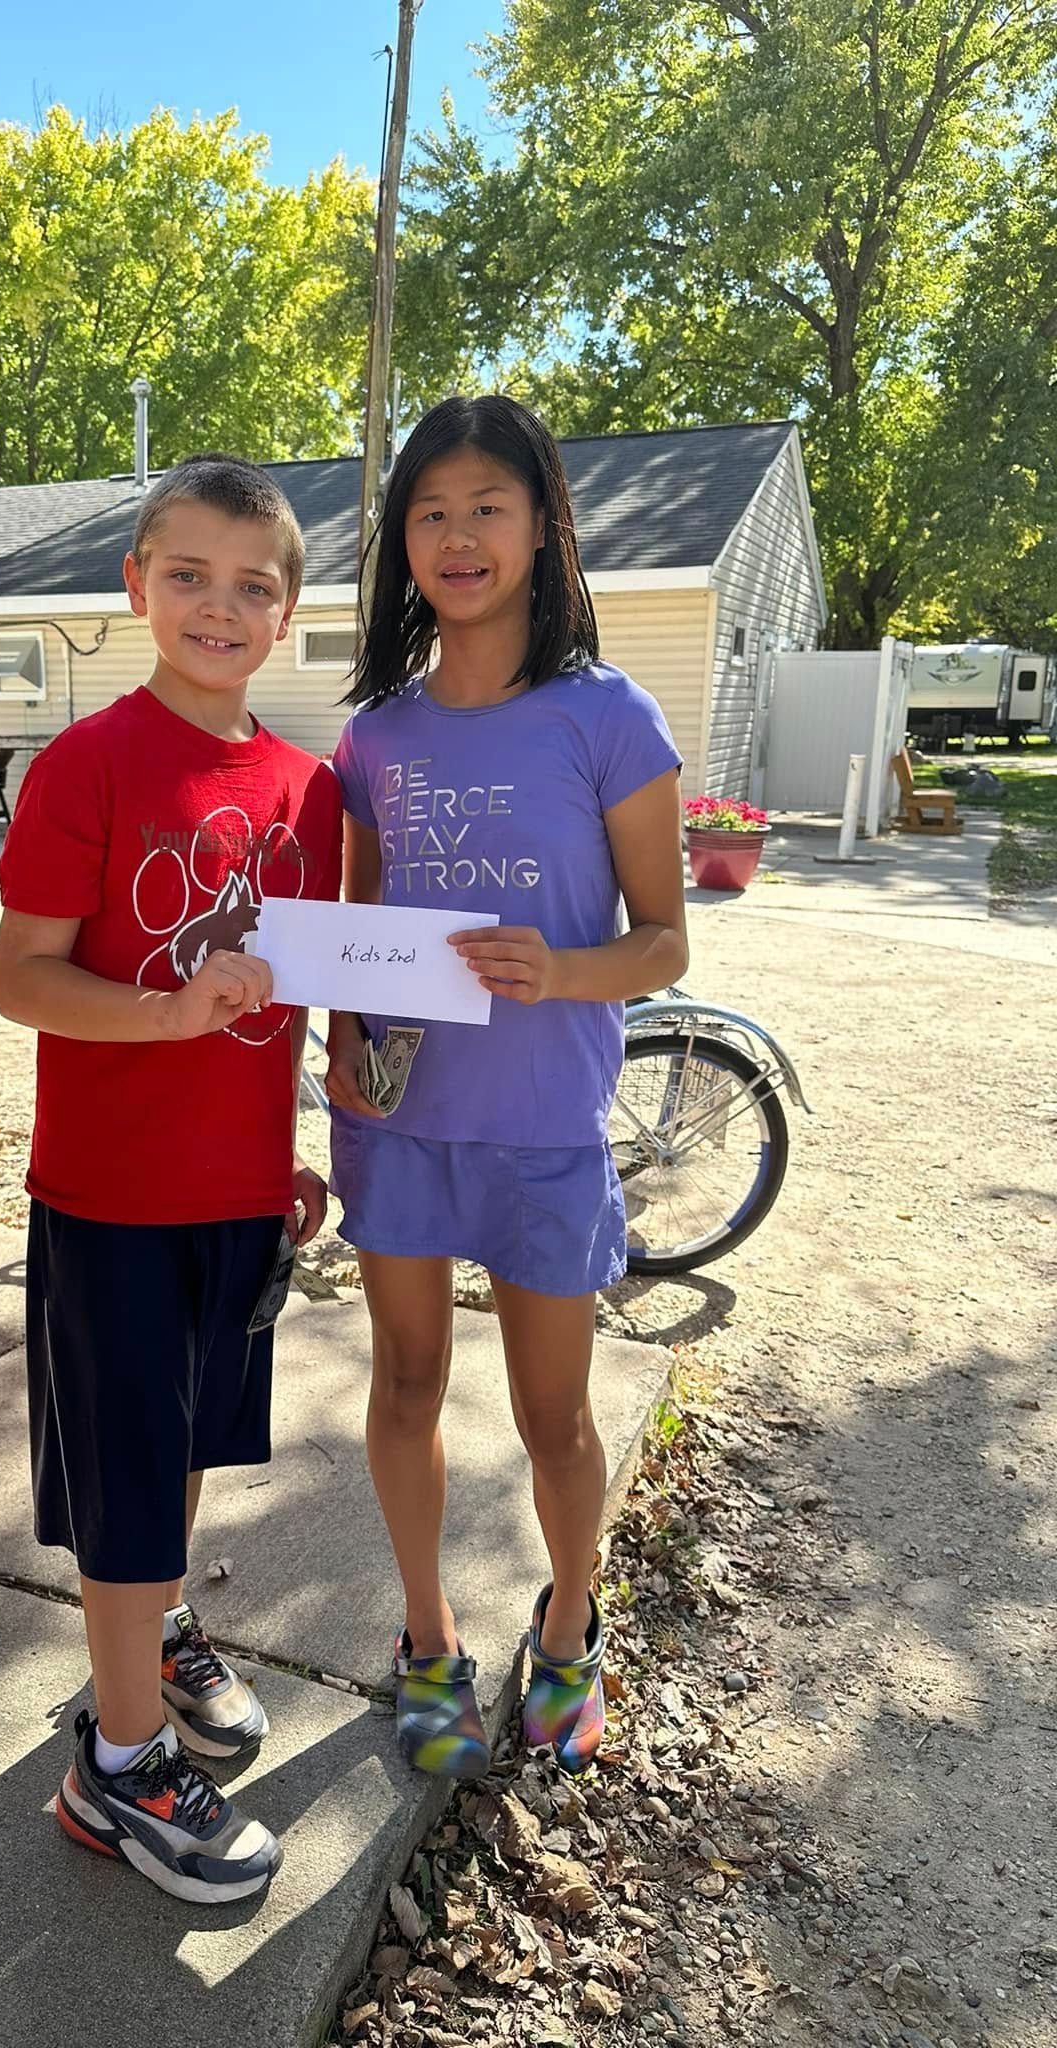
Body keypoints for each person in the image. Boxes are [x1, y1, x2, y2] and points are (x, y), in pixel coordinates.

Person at [0, 455, 343, 1902]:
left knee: (186, 1450)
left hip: (236, 1193)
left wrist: (287, 1147)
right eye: (187, 574)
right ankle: (118, 1772)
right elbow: (21, 979)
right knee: (127, 1477)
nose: (218, 604)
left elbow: (294, 996)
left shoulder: (307, 790)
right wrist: (161, 1012)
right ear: (137, 587)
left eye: (252, 584)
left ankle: (153, 1637)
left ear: (286, 615)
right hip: (112, 1198)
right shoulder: (93, 764)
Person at [325, 395, 688, 1781]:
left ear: (543, 527)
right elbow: (360, 945)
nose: (459, 534)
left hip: (543, 1130)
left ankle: (571, 1631)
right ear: (402, 540)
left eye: (488, 506)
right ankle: (426, 1640)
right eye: (430, 510)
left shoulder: (607, 715)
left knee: (557, 1421)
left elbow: (665, 942)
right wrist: (341, 1052)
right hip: (401, 1130)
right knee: (406, 1381)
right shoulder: (377, 739)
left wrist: (561, 968)